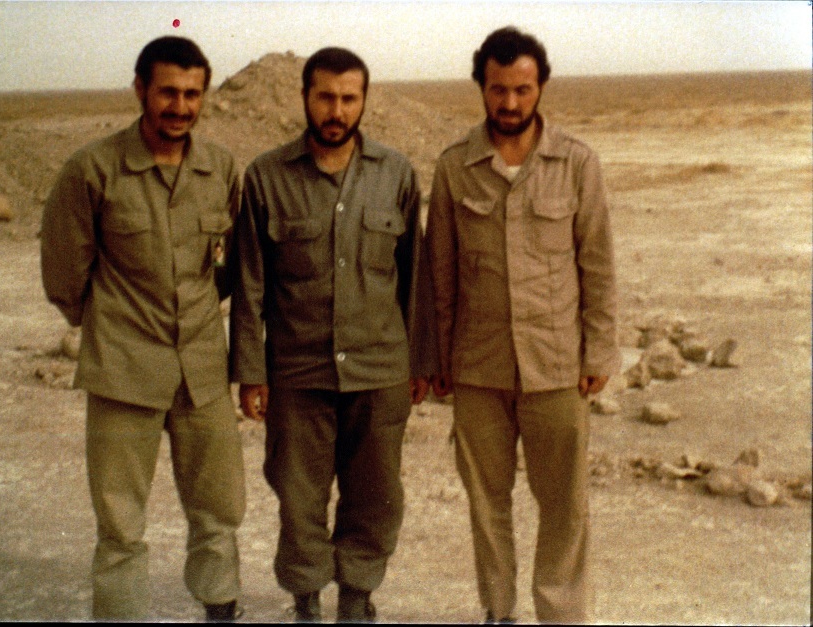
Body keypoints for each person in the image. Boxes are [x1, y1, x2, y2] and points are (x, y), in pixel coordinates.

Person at [40, 36, 245, 622]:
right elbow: (64, 272)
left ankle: (219, 610)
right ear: (140, 90)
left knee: (219, 511)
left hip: (202, 369)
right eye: (167, 92)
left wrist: (200, 311)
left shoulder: (220, 169)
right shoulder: (93, 170)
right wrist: (110, 325)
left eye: (192, 94)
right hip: (123, 371)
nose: (180, 107)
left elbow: (232, 264)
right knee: (120, 523)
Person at [229, 47, 435, 623]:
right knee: (299, 498)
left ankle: (357, 596)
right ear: (304, 98)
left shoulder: (395, 174)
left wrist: (419, 360)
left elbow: (414, 277)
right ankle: (306, 600)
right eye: (325, 97)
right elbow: (249, 284)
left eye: (348, 98)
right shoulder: (266, 177)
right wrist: (250, 372)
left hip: (379, 370)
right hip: (298, 371)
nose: (336, 110)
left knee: (375, 495)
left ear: (364, 101)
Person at [426, 27, 620, 623]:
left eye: (522, 89)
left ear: (541, 87)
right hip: (478, 367)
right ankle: (499, 611)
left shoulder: (577, 163)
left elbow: (598, 264)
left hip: (557, 365)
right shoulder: (454, 167)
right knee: (487, 503)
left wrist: (599, 352)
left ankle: (560, 615)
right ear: (481, 87)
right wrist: (436, 360)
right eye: (497, 89)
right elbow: (439, 274)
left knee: (564, 506)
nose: (509, 102)